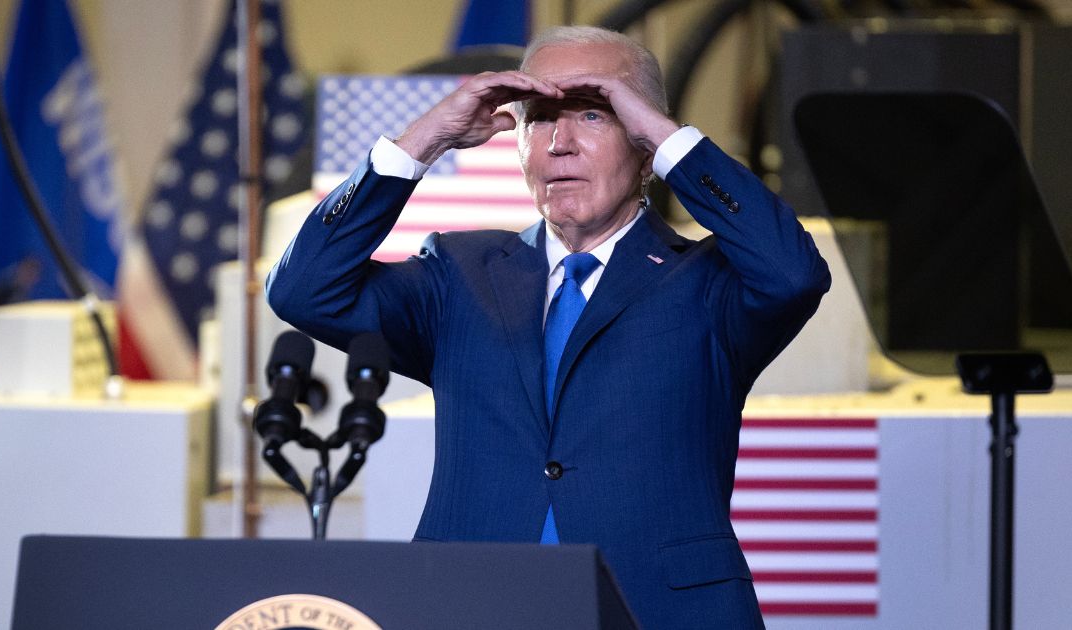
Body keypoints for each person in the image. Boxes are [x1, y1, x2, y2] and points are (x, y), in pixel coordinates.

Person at [268, 25, 830, 629]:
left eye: (594, 115)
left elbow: (794, 272)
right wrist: (422, 142)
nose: (560, 142)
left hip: (658, 609)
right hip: (472, 607)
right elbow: (305, 289)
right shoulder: (459, 274)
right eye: (539, 119)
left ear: (643, 142)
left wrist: (672, 141)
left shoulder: (708, 285)